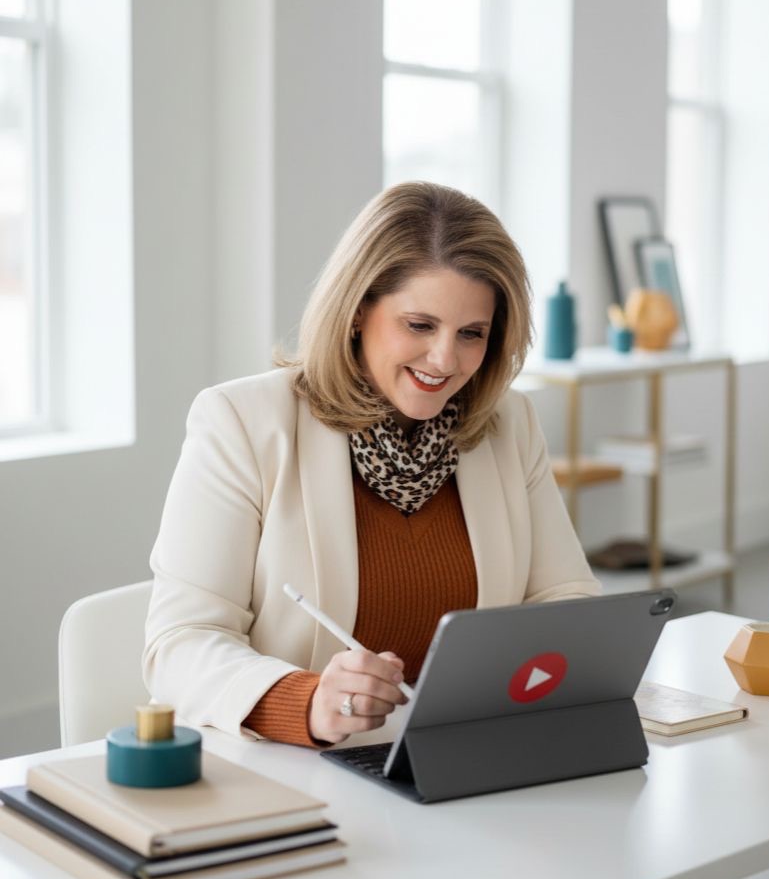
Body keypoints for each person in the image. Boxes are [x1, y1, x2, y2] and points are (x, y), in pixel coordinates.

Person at [143, 182, 600, 748]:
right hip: (299, 768)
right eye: (420, 325)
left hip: (461, 757)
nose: (445, 359)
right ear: (358, 311)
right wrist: (305, 700)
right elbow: (180, 641)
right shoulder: (241, 421)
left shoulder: (509, 424)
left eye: (471, 334)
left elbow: (568, 601)